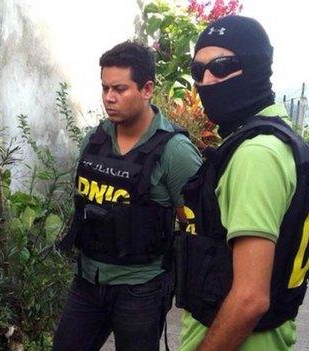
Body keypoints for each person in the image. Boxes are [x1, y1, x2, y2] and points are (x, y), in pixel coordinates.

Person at [175, 15, 309, 351]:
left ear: (257, 67)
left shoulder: (256, 153)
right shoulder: (279, 135)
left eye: (223, 66)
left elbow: (249, 299)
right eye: (198, 71)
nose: (207, 81)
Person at [53, 41, 202, 351]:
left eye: (120, 89)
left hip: (141, 288)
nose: (109, 97)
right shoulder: (95, 140)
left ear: (147, 89)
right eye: (105, 88)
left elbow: (197, 226)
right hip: (88, 279)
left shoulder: (175, 151)